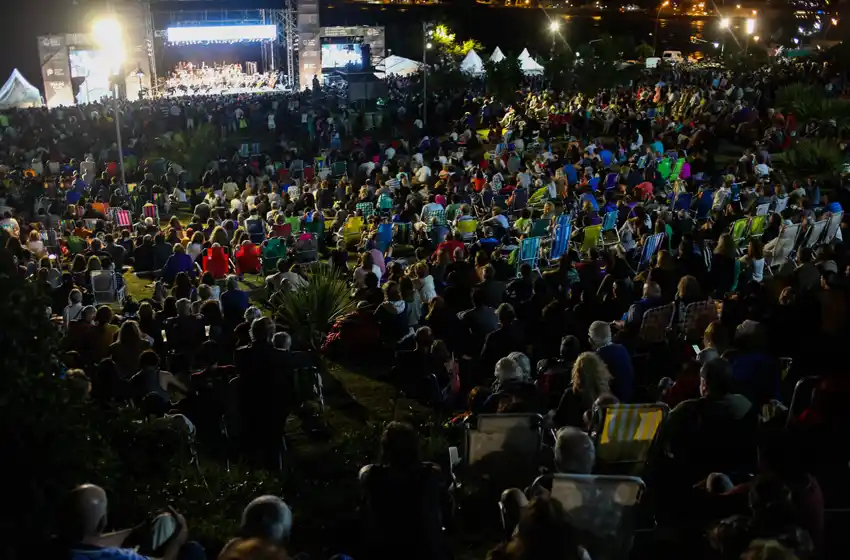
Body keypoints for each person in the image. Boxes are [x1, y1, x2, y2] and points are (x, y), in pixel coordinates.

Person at [359, 422, 453, 560]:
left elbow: (364, 472)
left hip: (386, 550)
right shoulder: (430, 475)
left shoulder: (372, 476)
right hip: (425, 551)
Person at [55, 483, 191, 560]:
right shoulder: (116, 557)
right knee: (193, 551)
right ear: (103, 521)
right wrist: (178, 540)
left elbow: (92, 541)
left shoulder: (55, 548)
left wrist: (136, 530)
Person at [588, 320, 634, 402]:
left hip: (612, 403)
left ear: (592, 339)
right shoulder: (622, 348)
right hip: (628, 398)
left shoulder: (598, 356)